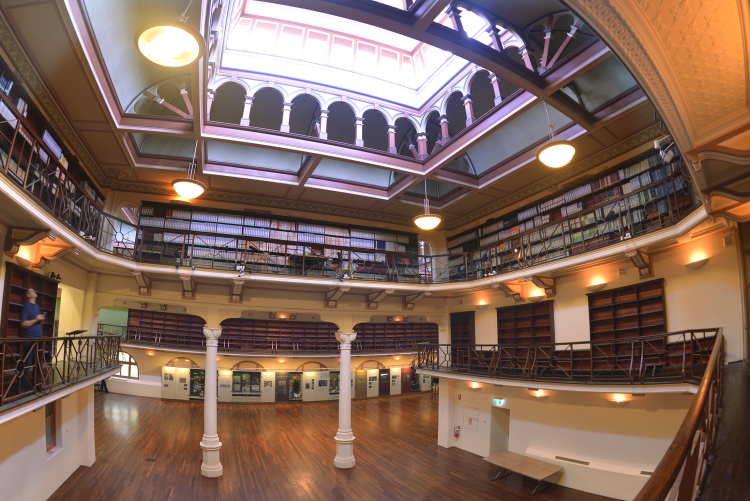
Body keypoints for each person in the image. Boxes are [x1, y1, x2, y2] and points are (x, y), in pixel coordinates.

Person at [19, 289, 46, 393]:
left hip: (38, 340)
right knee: (26, 365)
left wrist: (41, 319)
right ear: (28, 294)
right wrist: (36, 319)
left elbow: (38, 324)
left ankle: (37, 385)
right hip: (30, 340)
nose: (35, 291)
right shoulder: (27, 306)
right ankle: (19, 388)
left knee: (38, 365)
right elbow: (24, 323)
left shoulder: (37, 306)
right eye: (32, 290)